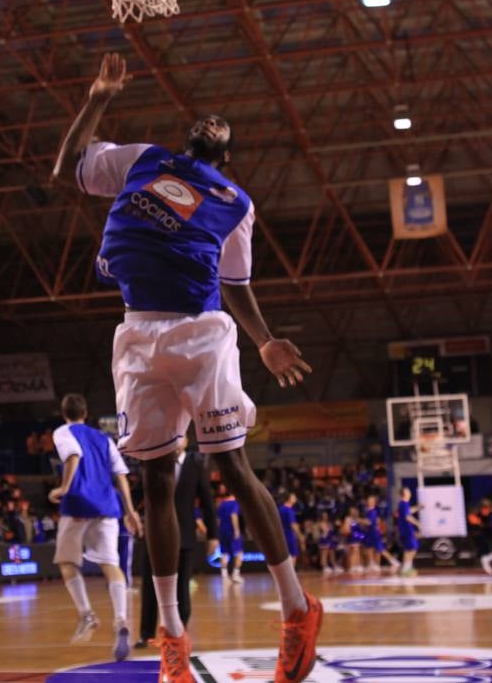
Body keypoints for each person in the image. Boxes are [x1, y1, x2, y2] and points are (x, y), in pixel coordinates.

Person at [53, 53, 322, 683]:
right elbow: (69, 164)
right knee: (154, 483)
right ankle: (171, 638)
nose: (214, 122)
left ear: (226, 157)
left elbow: (237, 283)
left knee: (231, 463)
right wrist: (96, 98)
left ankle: (296, 608)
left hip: (202, 333)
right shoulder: (142, 159)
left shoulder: (235, 203)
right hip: (136, 332)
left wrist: (263, 340)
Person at [49, 393, 142, 660]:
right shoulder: (104, 438)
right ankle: (121, 620)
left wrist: (64, 488)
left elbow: (73, 455)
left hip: (78, 504)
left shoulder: (63, 432)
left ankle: (86, 614)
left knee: (67, 562)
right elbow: (122, 474)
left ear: (64, 412)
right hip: (107, 507)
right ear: (86, 412)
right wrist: (131, 511)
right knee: (111, 566)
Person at [136, 440, 218, 649]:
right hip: (154, 535)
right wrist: (132, 514)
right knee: (150, 586)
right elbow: (139, 493)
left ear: (186, 440)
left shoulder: (195, 464)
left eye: (180, 436)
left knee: (182, 588)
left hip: (185, 535)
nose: (176, 440)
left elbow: (207, 500)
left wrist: (212, 535)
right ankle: (145, 634)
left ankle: (178, 634)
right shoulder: (153, 461)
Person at [360, 493, 396, 574]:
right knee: (369, 548)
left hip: (374, 533)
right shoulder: (369, 511)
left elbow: (369, 522)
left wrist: (360, 520)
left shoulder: (373, 511)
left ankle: (394, 562)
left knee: (380, 549)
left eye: (370, 500)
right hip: (370, 533)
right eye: (368, 500)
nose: (368, 502)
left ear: (373, 502)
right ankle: (372, 565)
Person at [216, 488, 244, 583]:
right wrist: (236, 530)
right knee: (239, 552)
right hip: (232, 532)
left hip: (222, 532)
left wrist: (218, 531)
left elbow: (218, 520)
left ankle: (224, 575)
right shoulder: (235, 503)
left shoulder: (221, 504)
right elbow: (234, 516)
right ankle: (235, 574)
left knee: (224, 553)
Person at [395, 487, 419, 576]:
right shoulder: (404, 503)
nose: (409, 492)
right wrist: (417, 523)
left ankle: (406, 568)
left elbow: (408, 512)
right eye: (407, 491)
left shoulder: (403, 504)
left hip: (404, 529)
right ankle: (406, 568)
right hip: (406, 529)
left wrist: (417, 508)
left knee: (408, 549)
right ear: (404, 493)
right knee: (413, 548)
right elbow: (407, 516)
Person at [278, 492, 301, 566]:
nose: (295, 499)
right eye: (294, 497)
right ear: (289, 499)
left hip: (281, 536)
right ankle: (291, 575)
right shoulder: (290, 511)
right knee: (293, 555)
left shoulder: (279, 509)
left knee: (283, 557)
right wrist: (300, 535)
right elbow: (293, 525)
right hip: (290, 535)